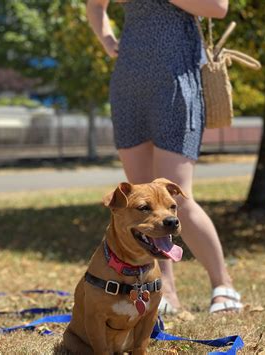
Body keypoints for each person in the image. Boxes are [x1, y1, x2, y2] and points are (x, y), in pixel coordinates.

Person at [86, 0, 242, 314]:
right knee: (144, 200)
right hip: (128, 85)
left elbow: (218, 7)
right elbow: (95, 5)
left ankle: (222, 284)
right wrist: (107, 41)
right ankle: (164, 290)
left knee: (177, 199)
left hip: (176, 81)